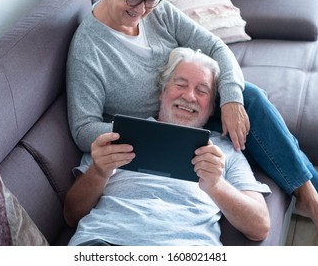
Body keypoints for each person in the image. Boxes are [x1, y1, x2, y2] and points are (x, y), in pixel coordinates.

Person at [66, 0, 318, 240]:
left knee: (250, 98)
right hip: (151, 127)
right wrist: (146, 135)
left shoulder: (158, 10)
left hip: (186, 110)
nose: (142, 10)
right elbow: (83, 129)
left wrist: (231, 101)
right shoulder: (88, 48)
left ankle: (312, 197)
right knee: (251, 103)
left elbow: (215, 47)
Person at [64, 47, 271, 245]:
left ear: (211, 108)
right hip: (104, 244)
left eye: (202, 91)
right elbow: (71, 215)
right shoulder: (119, 135)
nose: (189, 96)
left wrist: (216, 185)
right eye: (180, 85)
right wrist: (99, 172)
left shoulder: (224, 151)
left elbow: (259, 226)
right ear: (161, 93)